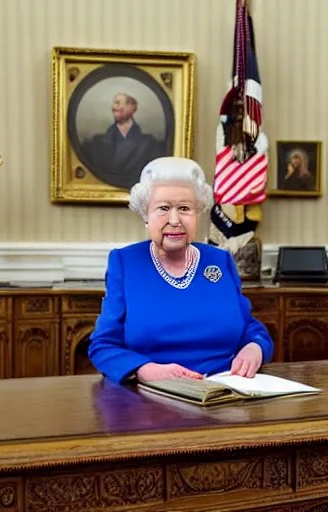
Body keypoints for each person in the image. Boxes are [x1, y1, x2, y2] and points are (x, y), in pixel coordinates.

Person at [88, 157, 274, 384]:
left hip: (223, 394)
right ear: (146, 215)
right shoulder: (126, 263)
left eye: (185, 208)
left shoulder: (220, 260)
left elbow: (250, 327)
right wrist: (145, 370)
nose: (174, 220)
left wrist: (255, 348)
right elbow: (103, 345)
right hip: (150, 399)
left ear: (198, 213)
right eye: (163, 208)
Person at [81, 93, 166, 190]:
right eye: (114, 104)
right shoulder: (97, 142)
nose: (113, 107)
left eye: (118, 103)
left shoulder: (149, 143)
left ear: (131, 107)